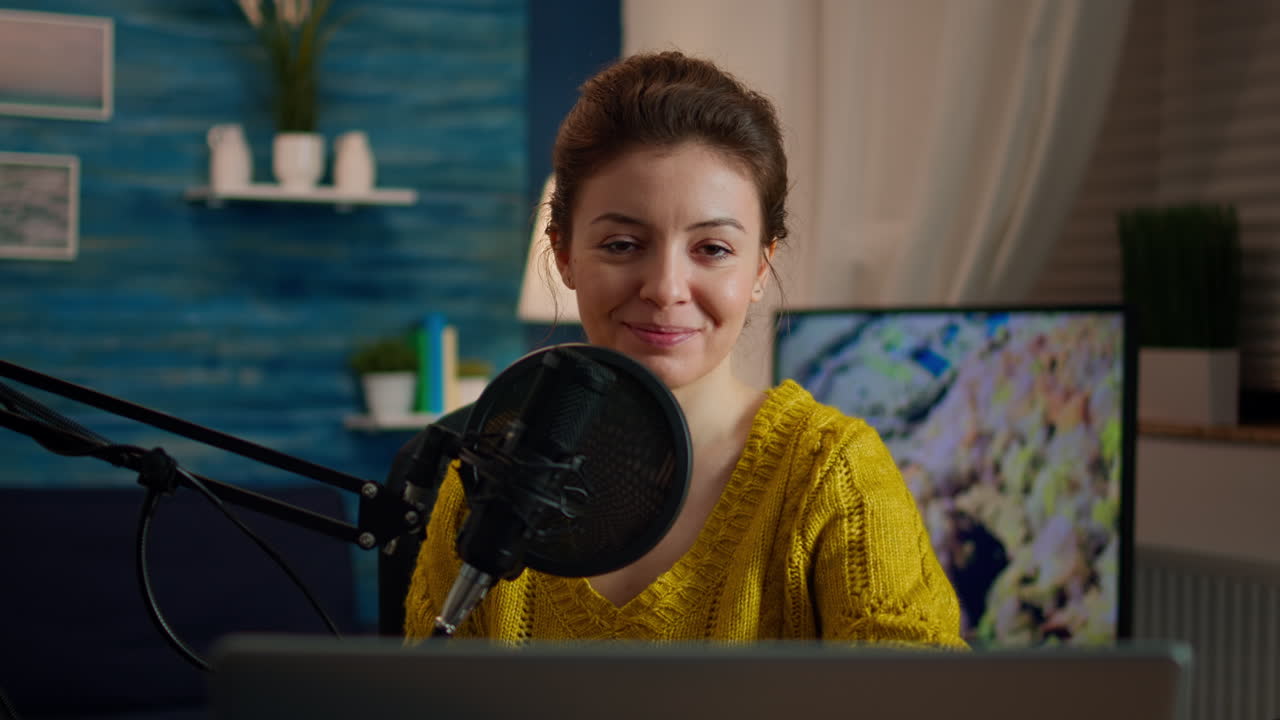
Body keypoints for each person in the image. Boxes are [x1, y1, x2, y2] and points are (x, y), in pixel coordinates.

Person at [404, 50, 966, 647]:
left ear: (760, 266)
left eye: (713, 249)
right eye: (622, 244)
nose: (666, 289)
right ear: (564, 254)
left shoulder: (832, 476)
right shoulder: (488, 482)